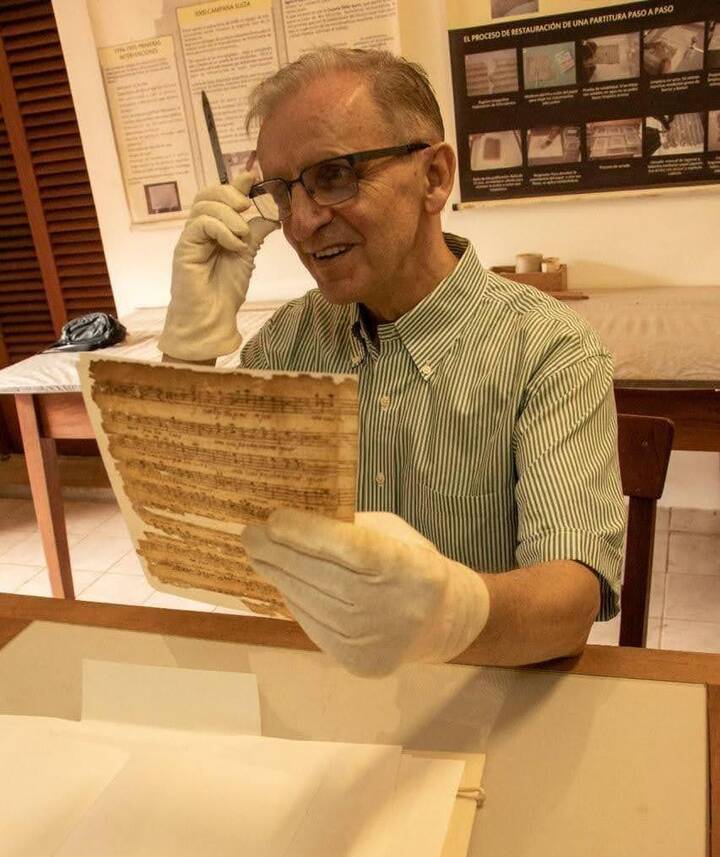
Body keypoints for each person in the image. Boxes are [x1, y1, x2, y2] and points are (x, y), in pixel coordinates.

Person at [158, 47, 625, 678]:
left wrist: (447, 612)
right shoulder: (285, 345)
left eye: (334, 175)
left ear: (434, 178)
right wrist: (188, 348)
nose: (301, 222)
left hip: (478, 693)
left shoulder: (549, 352)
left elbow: (570, 605)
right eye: (280, 190)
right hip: (314, 685)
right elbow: (189, 520)